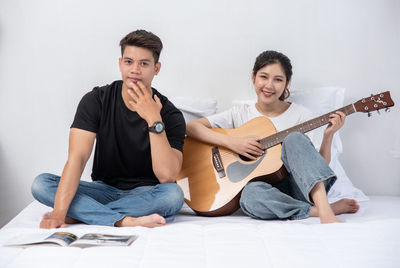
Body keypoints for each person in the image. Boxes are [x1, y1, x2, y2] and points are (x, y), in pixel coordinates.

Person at [31, 30, 186, 228]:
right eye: (129, 62)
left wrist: (154, 119)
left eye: (144, 64)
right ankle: (124, 220)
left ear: (157, 68)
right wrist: (60, 214)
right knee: (41, 184)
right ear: (120, 63)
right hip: (102, 189)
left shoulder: (171, 115)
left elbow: (167, 176)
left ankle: (83, 214)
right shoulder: (96, 100)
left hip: (147, 193)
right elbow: (77, 159)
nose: (135, 70)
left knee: (173, 195)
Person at [186, 50, 360, 223]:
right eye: (263, 77)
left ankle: (325, 212)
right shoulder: (240, 114)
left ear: (287, 84)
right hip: (266, 193)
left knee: (294, 138)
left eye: (278, 80)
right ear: (253, 77)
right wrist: (233, 143)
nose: (269, 85)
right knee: (249, 196)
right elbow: (192, 127)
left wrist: (328, 136)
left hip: (300, 187)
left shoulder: (302, 115)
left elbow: (318, 165)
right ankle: (322, 210)